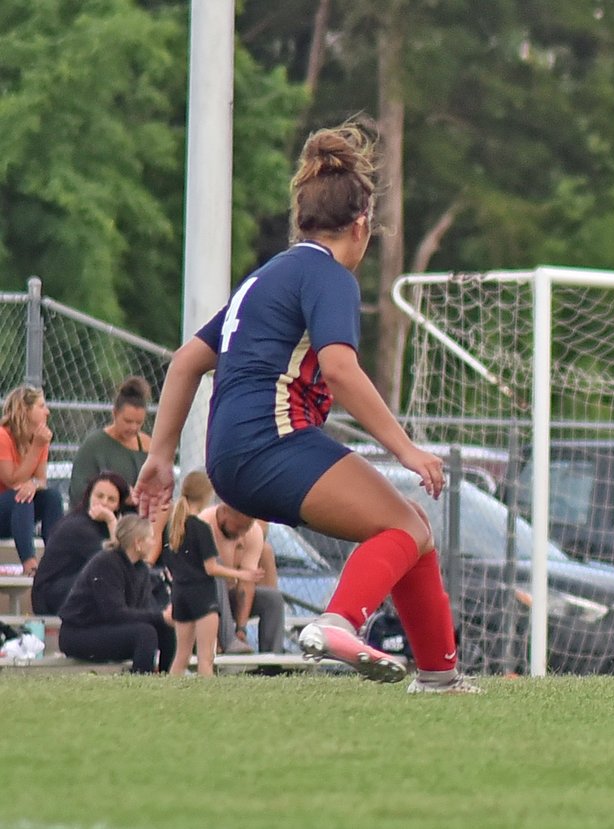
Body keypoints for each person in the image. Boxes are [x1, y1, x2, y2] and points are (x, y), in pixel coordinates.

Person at [134, 123, 477, 693]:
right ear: (362, 225)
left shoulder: (263, 278)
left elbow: (185, 362)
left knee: (409, 527)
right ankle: (339, 622)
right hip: (274, 442)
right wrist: (408, 449)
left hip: (230, 462)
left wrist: (162, 456)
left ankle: (440, 675)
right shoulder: (328, 276)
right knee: (401, 524)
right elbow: (341, 370)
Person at [166, 471, 263, 676]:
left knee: (181, 657)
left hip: (180, 596)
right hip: (202, 598)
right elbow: (211, 568)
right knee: (206, 659)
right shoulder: (202, 528)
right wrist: (243, 576)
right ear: (207, 496)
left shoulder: (176, 528)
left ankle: (169, 696)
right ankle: (208, 699)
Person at [57, 514, 176, 673]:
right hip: (79, 632)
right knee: (145, 633)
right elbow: (114, 613)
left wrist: (164, 618)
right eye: (150, 538)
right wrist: (160, 617)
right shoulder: (106, 563)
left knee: (165, 629)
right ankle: (140, 684)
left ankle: (166, 678)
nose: (154, 543)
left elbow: (142, 610)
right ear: (138, 543)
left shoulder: (141, 569)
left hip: (108, 628)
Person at [30, 471, 126, 615]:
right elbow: (115, 564)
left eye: (111, 499)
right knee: (103, 576)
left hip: (72, 589)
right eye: (99, 496)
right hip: (52, 596)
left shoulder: (101, 525)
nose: (104, 502)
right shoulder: (78, 527)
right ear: (89, 497)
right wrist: (112, 521)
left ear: (118, 505)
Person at [197, 501, 281, 655]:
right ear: (223, 513)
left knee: (272, 599)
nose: (242, 536)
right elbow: (207, 570)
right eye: (238, 527)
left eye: (246, 529)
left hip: (229, 595)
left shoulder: (254, 532)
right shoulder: (203, 524)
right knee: (217, 570)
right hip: (201, 596)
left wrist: (241, 628)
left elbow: (246, 582)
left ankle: (272, 660)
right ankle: (227, 641)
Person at [0, 385, 64, 575]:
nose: (47, 411)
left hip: (18, 513)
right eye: (41, 406)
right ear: (25, 410)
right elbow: (11, 480)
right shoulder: (3, 436)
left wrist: (33, 484)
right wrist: (36, 447)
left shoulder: (40, 438)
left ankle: (57, 560)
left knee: (52, 496)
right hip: (5, 508)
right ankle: (30, 564)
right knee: (21, 496)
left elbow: (41, 480)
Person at [68, 376, 153, 509]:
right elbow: (78, 491)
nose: (133, 428)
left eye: (139, 423)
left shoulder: (147, 445)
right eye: (128, 421)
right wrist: (119, 495)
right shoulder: (94, 444)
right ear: (115, 414)